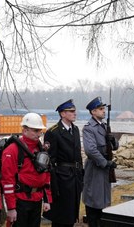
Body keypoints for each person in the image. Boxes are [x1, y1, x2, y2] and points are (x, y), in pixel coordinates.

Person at [1, 112, 52, 227]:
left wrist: (47, 199)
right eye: (35, 130)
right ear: (24, 130)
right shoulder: (12, 150)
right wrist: (11, 207)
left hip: (37, 201)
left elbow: (46, 175)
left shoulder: (41, 150)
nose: (39, 134)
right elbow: (7, 181)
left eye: (39, 130)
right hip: (20, 201)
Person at [43, 99, 83, 227]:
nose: (74, 113)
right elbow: (50, 161)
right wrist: (54, 184)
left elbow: (78, 156)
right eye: (71, 111)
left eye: (74, 111)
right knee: (61, 217)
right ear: (62, 114)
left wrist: (81, 175)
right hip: (62, 178)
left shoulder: (75, 129)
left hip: (75, 177)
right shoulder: (53, 132)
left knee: (72, 215)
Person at [82, 96, 119, 227]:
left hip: (104, 171)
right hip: (96, 169)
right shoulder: (89, 128)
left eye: (103, 109)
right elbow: (91, 151)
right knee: (93, 203)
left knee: (103, 204)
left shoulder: (104, 126)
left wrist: (113, 140)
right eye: (100, 109)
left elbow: (114, 146)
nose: (103, 111)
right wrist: (105, 163)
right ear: (93, 112)